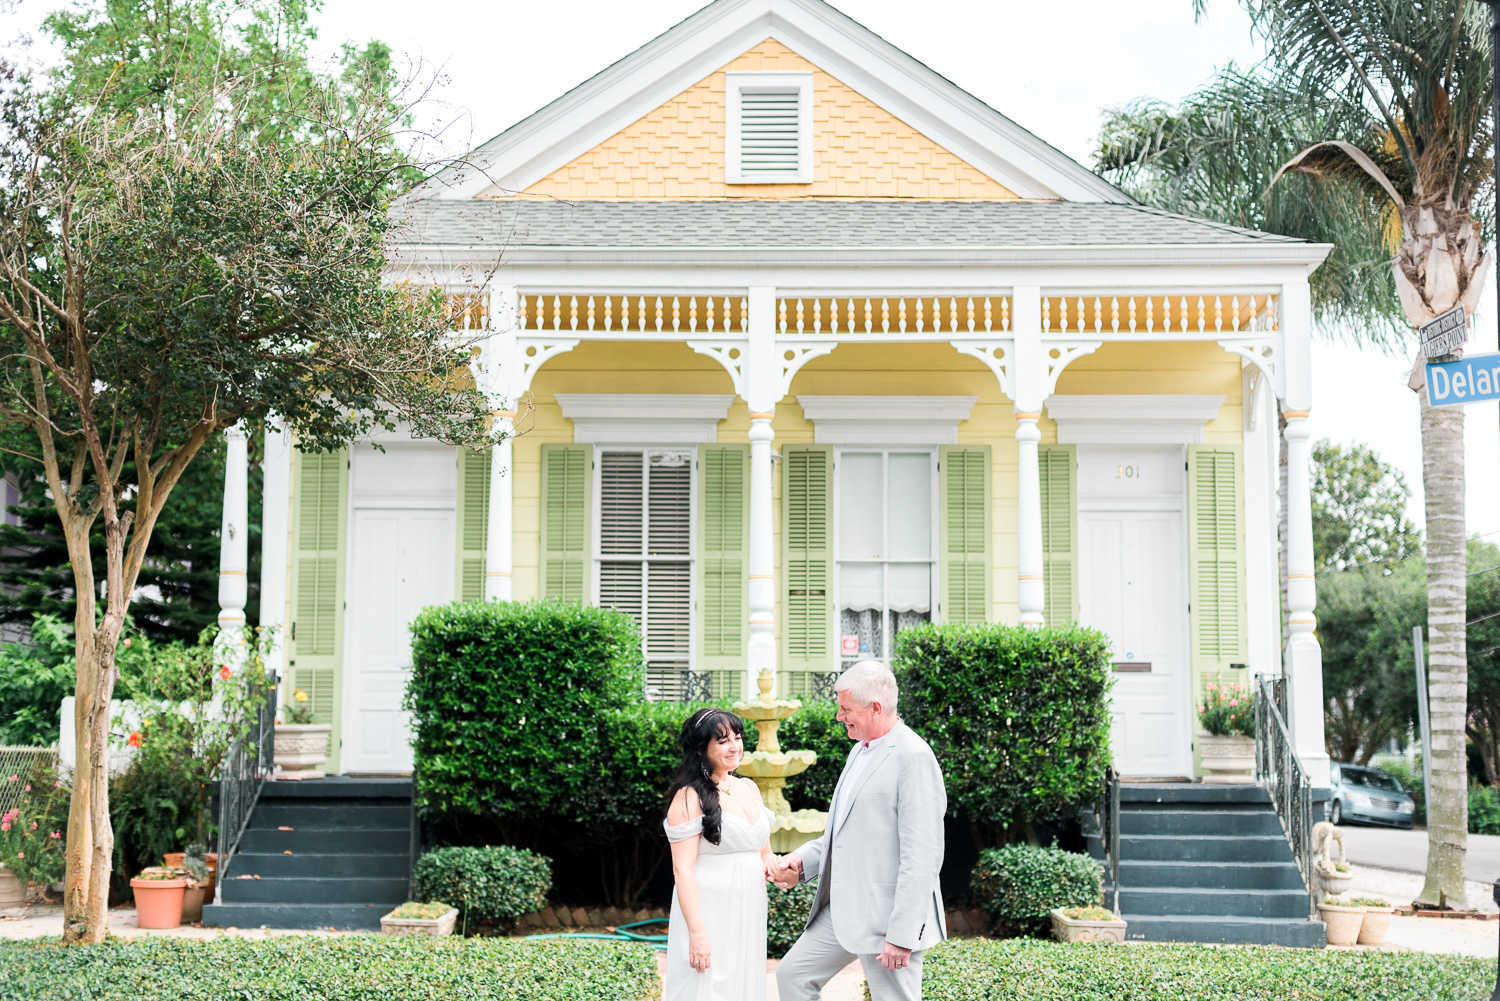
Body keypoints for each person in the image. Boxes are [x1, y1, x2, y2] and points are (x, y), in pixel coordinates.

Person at [772, 660, 946, 1001]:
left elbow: (922, 856)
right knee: (792, 976)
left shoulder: (914, 757)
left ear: (876, 708)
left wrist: (902, 934)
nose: (840, 716)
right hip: (844, 910)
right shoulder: (859, 750)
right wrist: (801, 862)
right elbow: (845, 835)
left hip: (888, 918)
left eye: (846, 708)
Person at [663, 707, 780, 1001]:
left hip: (749, 907)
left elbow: (763, 852)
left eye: (737, 737)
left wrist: (778, 865)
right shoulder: (688, 797)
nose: (735, 746)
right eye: (723, 741)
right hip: (709, 910)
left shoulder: (748, 788)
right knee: (706, 986)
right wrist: (697, 933)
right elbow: (683, 870)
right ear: (701, 749)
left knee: (743, 982)